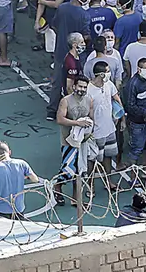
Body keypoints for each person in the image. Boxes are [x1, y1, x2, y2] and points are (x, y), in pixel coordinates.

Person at [55, 74, 94, 205]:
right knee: (67, 169)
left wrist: (88, 131)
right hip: (68, 141)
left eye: (85, 87)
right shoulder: (65, 101)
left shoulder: (89, 100)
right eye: (80, 86)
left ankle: (75, 197)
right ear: (74, 86)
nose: (82, 89)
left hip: (83, 141)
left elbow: (91, 118)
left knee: (79, 170)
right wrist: (77, 124)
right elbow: (60, 119)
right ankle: (58, 187)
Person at [0, 141, 40, 218]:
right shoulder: (22, 164)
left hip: (1, 210)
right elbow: (35, 179)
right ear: (10, 152)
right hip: (18, 209)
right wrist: (26, 177)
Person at [123, 57, 146, 171]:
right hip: (137, 123)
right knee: (136, 150)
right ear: (139, 69)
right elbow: (129, 105)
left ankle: (145, 171)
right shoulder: (133, 84)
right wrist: (143, 114)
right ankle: (133, 177)